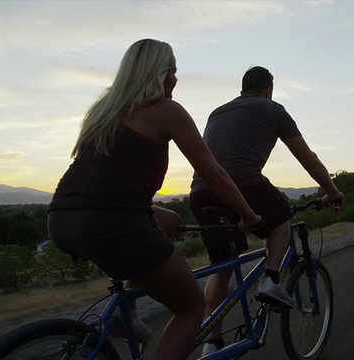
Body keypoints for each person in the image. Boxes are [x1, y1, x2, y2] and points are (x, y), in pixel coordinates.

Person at [46, 39, 262, 360]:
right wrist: (248, 215)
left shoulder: (103, 113)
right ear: (158, 73)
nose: (176, 79)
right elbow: (214, 174)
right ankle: (129, 311)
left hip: (62, 218)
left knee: (161, 226)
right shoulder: (165, 111)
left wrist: (159, 214)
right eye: (173, 71)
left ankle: (126, 310)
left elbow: (108, 185)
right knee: (191, 306)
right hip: (113, 223)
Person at [189, 66, 345, 355]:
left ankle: (212, 342)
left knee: (222, 264)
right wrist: (332, 191)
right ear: (269, 89)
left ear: (242, 88)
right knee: (281, 217)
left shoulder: (217, 112)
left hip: (201, 191)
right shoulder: (273, 108)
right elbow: (307, 158)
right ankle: (271, 280)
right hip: (244, 185)